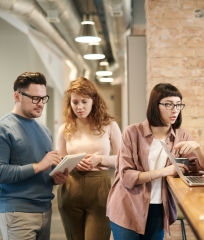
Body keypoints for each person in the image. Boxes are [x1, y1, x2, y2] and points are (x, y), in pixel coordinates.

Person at [107, 83, 204, 239]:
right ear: (155, 106)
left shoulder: (181, 135)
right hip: (127, 206)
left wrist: (197, 148)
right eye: (168, 104)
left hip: (158, 209)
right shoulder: (132, 132)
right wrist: (165, 171)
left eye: (178, 105)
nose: (175, 109)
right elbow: (127, 176)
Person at [0, 72, 68, 240]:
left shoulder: (44, 131)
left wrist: (55, 177)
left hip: (45, 210)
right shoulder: (4, 128)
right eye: (35, 98)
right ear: (17, 95)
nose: (41, 104)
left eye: (44, 98)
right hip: (18, 213)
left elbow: (42, 171)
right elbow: (1, 172)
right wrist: (39, 166)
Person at [56, 77, 121, 240]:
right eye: (75, 102)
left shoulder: (109, 125)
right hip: (71, 188)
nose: (79, 107)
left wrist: (100, 160)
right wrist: (72, 164)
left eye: (84, 101)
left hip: (100, 188)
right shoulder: (65, 129)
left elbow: (123, 159)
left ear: (94, 100)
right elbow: (59, 163)